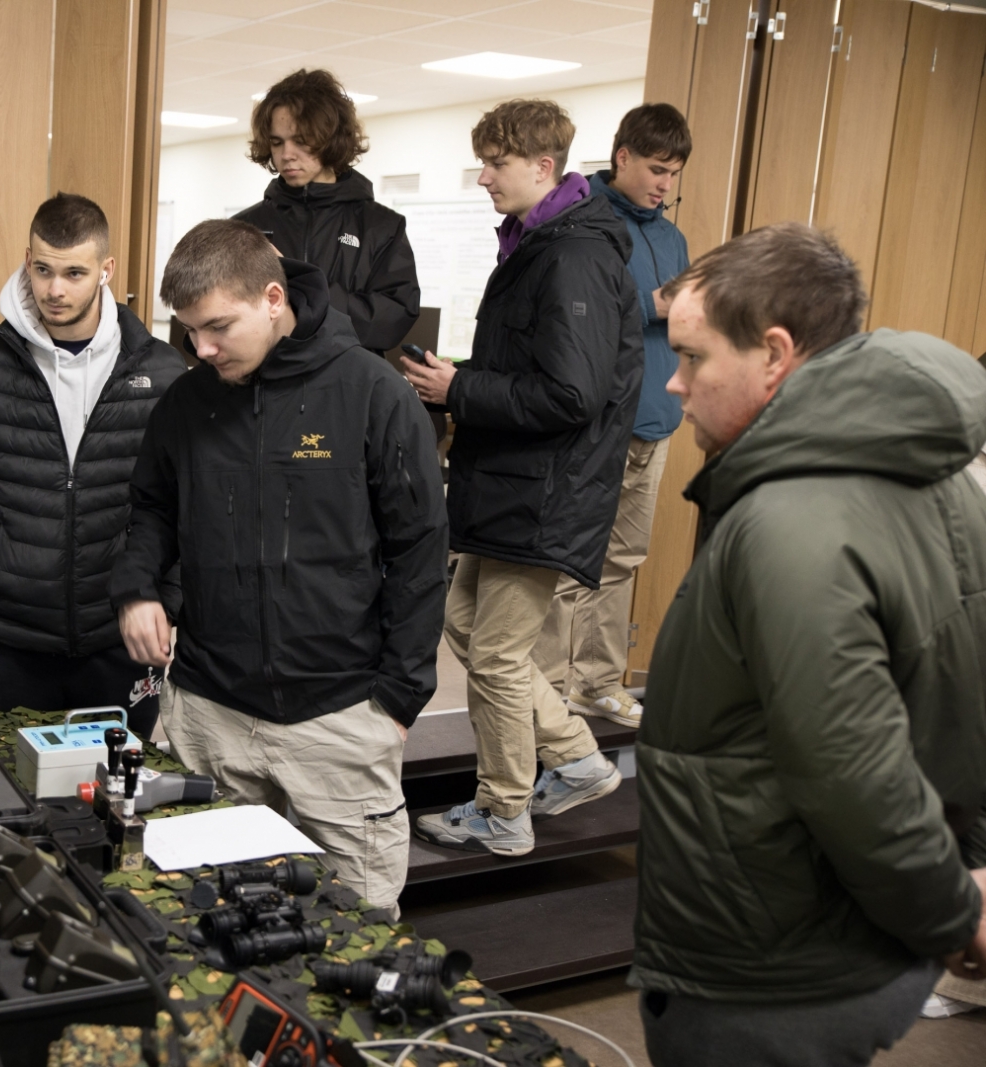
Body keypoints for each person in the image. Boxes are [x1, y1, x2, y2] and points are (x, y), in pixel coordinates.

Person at [631, 222, 986, 1067]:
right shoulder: (942, 478)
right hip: (859, 943)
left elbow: (851, 768)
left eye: (694, 358)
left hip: (774, 967)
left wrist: (952, 915)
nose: (675, 386)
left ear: (776, 354)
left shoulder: (789, 522)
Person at [110, 219, 446, 916]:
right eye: (188, 331)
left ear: (272, 297)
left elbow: (420, 550)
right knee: (205, 917)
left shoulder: (372, 393)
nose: (200, 349)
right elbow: (151, 509)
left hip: (342, 715)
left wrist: (398, 699)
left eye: (217, 327)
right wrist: (139, 589)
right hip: (211, 714)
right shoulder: (188, 400)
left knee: (359, 924)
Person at [404, 99, 643, 858]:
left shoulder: (572, 255)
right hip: (515, 484)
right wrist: (462, 378)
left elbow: (570, 394)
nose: (483, 178)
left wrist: (458, 391)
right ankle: (575, 759)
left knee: (499, 653)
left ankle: (503, 810)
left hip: (545, 491)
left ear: (543, 168)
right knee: (467, 625)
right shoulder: (543, 245)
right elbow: (541, 370)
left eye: (496, 164)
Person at [0, 193, 186, 738]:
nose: (54, 289)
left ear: (106, 270)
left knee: (110, 801)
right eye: (43, 269)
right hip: (2, 640)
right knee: (5, 801)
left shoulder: (163, 371)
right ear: (27, 259)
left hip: (117, 639)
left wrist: (169, 606)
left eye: (74, 273)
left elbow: (179, 506)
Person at [532, 103, 692, 729]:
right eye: (656, 169)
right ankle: (546, 691)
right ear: (621, 156)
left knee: (623, 560)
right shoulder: (584, 222)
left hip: (653, 420)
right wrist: (652, 303)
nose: (663, 184)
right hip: (596, 424)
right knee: (568, 565)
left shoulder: (671, 235)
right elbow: (582, 314)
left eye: (673, 174)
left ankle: (599, 682)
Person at [234, 68, 420, 355]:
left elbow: (390, 322)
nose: (287, 155)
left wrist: (303, 287)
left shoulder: (381, 226)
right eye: (277, 142)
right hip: (267, 385)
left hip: (349, 387)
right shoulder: (245, 227)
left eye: (301, 140)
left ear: (331, 138)